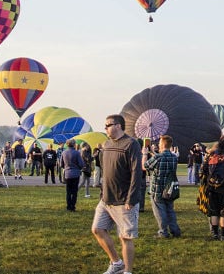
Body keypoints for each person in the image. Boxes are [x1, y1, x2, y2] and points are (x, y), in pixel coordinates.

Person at [92, 114, 143, 274]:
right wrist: (102, 192)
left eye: (108, 125)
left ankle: (127, 271)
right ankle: (116, 262)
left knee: (125, 237)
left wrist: (132, 198)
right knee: (97, 229)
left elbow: (136, 173)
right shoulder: (106, 144)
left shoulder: (131, 144)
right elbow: (106, 172)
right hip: (106, 199)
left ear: (118, 126)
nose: (105, 128)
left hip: (124, 200)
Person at [199, 133, 224, 240]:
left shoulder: (212, 154)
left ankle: (215, 234)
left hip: (212, 187)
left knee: (214, 212)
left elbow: (204, 171)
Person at [145, 134, 182, 238]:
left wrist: (144, 154)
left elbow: (145, 166)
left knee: (160, 213)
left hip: (157, 189)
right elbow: (161, 160)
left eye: (159, 142)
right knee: (170, 210)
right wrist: (153, 153)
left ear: (162, 144)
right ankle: (175, 231)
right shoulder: (174, 157)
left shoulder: (158, 157)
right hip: (169, 189)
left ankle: (163, 232)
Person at [62, 139, 85, 212]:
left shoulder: (64, 152)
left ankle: (68, 206)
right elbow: (81, 164)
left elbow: (61, 164)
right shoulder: (76, 153)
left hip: (67, 174)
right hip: (75, 174)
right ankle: (73, 206)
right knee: (74, 191)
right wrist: (80, 167)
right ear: (74, 144)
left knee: (68, 191)